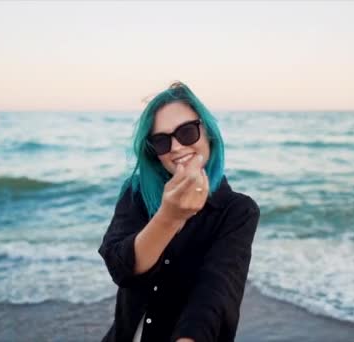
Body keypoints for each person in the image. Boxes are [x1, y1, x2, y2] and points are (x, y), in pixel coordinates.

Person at [98, 81, 260, 342]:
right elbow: (120, 268)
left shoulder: (238, 211)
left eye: (186, 132)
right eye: (161, 141)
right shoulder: (137, 192)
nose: (175, 147)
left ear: (208, 132)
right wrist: (168, 217)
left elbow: (215, 294)